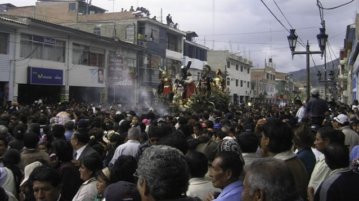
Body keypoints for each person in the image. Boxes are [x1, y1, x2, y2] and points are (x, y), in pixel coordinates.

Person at [260, 119, 308, 200]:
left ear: (267, 141)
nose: (260, 140)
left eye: (262, 136)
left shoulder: (274, 169)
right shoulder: (296, 160)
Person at [307, 126, 345, 201]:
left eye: (317, 139)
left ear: (327, 141)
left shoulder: (328, 163)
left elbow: (316, 190)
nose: (315, 142)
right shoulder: (323, 158)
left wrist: (311, 196)